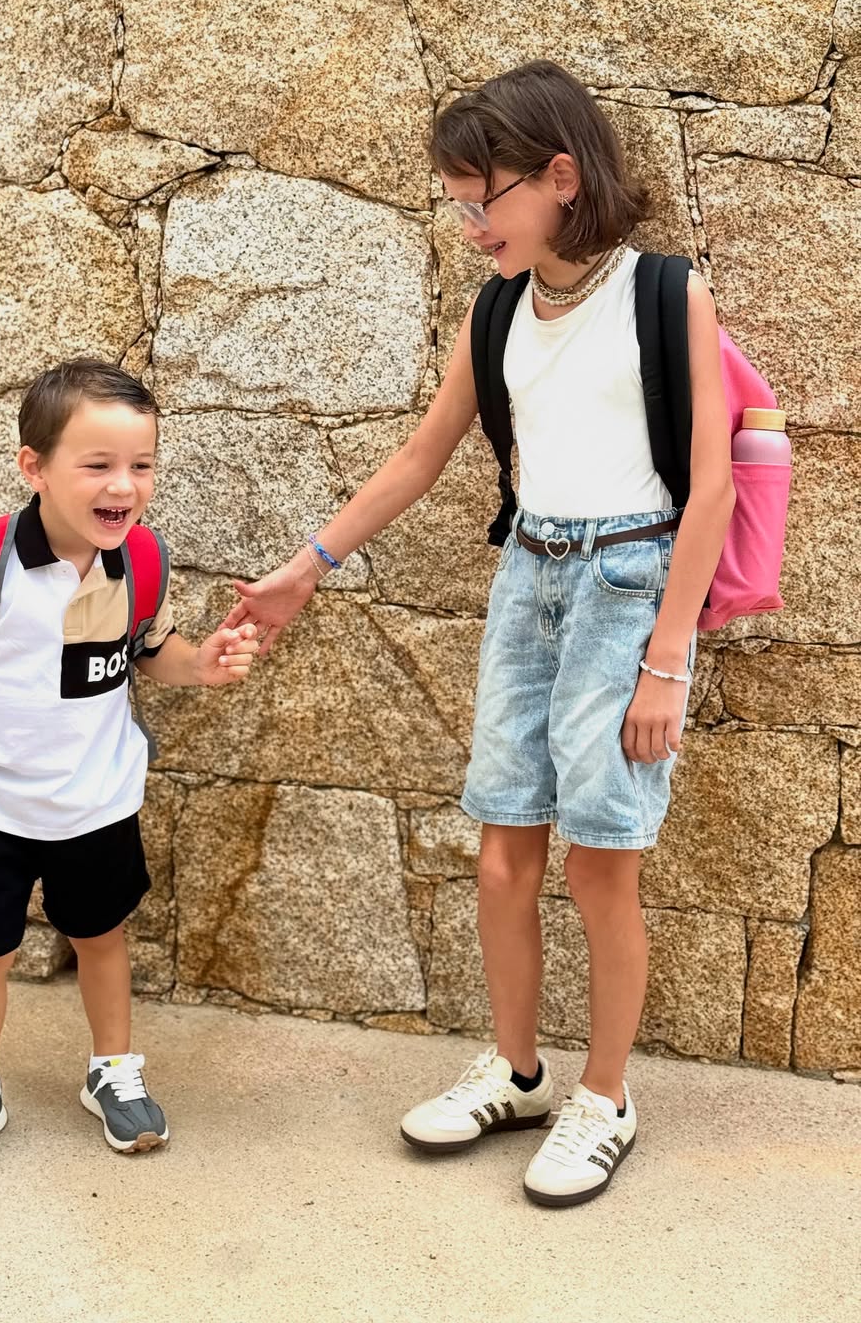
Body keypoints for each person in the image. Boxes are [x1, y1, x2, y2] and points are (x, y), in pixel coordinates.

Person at [228, 60, 734, 1207]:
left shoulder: (666, 295)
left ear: (561, 177)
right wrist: (306, 570)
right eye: (457, 205)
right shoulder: (497, 310)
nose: (470, 226)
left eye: (482, 200)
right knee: (504, 849)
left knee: (602, 862)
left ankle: (605, 1097)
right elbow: (421, 456)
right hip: (529, 580)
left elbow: (710, 489)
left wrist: (665, 661)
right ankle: (517, 1071)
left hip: (629, 588)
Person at [0, 359, 258, 1181]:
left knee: (102, 938)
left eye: (141, 464)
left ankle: (112, 1070)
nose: (123, 486)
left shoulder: (142, 558)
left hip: (98, 803)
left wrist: (200, 665)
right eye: (97, 465)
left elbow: (150, 652)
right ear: (34, 467)